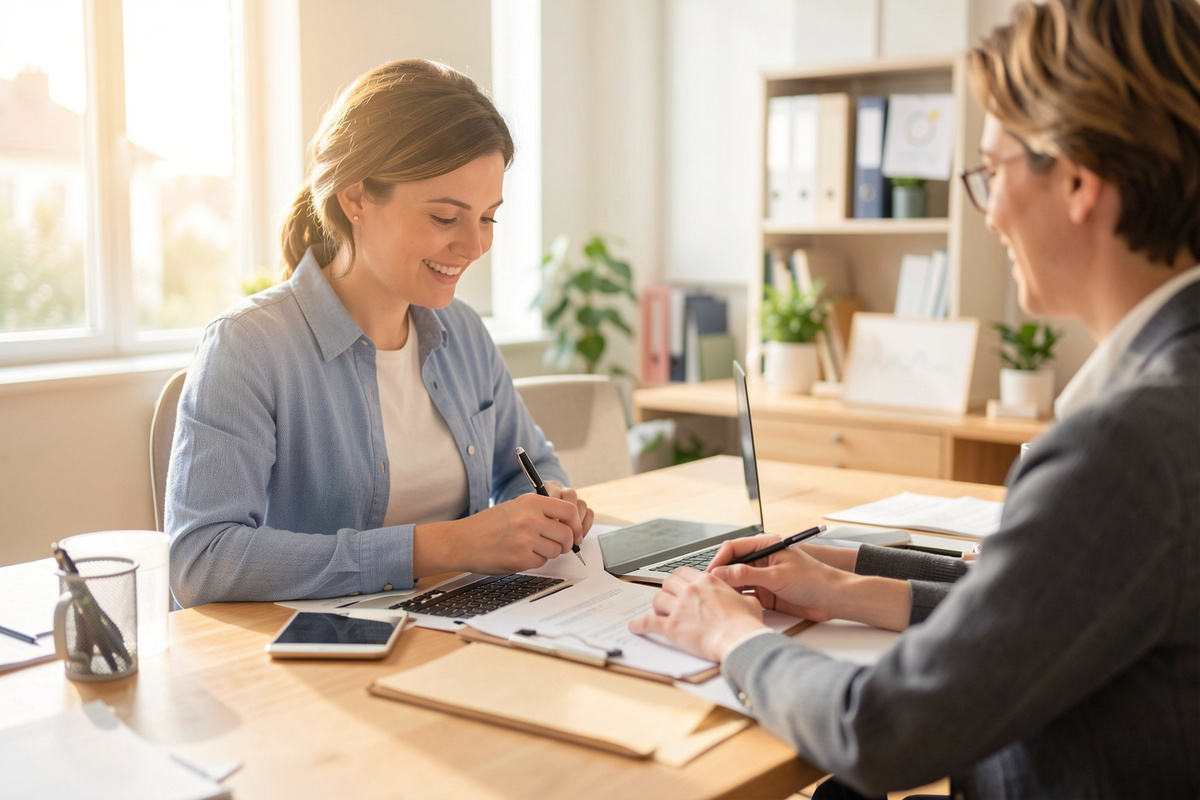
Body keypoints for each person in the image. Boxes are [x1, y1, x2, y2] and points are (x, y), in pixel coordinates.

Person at [630, 1, 1200, 797]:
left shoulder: (1128, 441)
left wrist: (729, 637)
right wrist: (843, 581)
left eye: (991, 171)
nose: (988, 208)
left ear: (1076, 179)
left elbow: (884, 732)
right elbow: (1042, 602)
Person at [168, 59, 593, 609]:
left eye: (488, 217)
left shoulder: (461, 332)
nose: (474, 246)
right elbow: (201, 561)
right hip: (312, 660)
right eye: (445, 218)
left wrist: (546, 507)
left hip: (459, 630)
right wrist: (446, 545)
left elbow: (526, 467)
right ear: (356, 198)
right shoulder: (247, 347)